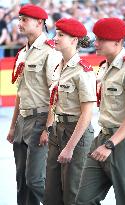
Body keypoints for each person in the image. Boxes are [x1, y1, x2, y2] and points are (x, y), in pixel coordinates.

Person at [75, 17, 125, 205]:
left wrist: (110, 144)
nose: (96, 43)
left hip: (122, 142)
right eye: (96, 38)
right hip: (102, 138)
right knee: (83, 200)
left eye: (101, 39)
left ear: (117, 42)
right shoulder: (104, 67)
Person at [7, 4, 61, 205]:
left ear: (40, 23)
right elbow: (20, 93)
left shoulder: (50, 51)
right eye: (19, 19)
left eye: (24, 20)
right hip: (23, 119)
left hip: (40, 120)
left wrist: (48, 127)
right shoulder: (22, 53)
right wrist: (13, 126)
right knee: (22, 181)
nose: (19, 24)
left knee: (36, 180)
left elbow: (55, 94)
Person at [43, 18, 97, 205]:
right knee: (50, 193)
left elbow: (87, 113)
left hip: (76, 133)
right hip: (57, 130)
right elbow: (54, 101)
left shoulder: (83, 71)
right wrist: (48, 129)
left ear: (74, 40)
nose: (55, 38)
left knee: (72, 194)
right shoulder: (59, 66)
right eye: (55, 33)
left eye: (60, 35)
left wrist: (70, 147)